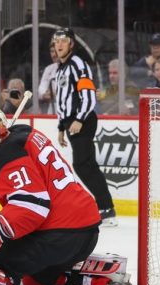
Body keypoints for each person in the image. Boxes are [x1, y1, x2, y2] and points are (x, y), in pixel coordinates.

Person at [0, 104, 140, 285]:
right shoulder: (24, 134)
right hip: (86, 231)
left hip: (59, 234)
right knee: (35, 283)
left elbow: (32, 206)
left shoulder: (5, 156)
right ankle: (96, 284)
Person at [52, 28, 117, 226]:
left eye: (64, 40)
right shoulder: (60, 68)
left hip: (83, 120)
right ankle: (105, 208)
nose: (59, 44)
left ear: (71, 44)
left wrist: (79, 119)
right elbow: (62, 100)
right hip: (72, 122)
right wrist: (61, 126)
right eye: (56, 41)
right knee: (84, 165)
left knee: (84, 165)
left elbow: (88, 95)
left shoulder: (78, 63)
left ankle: (106, 209)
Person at [38, 41, 58, 114]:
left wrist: (54, 94)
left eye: (56, 51)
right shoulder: (49, 69)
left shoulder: (70, 68)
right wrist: (44, 94)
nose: (54, 55)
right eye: (52, 51)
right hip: (52, 111)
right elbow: (41, 90)